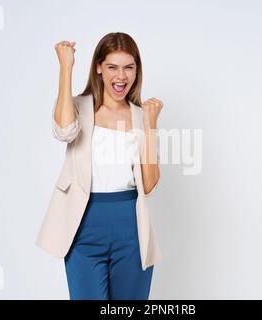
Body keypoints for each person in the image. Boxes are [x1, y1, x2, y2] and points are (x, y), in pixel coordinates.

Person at [36, 32, 163, 300]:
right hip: (83, 227)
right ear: (98, 67)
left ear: (137, 70)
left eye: (129, 67)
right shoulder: (78, 107)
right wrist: (65, 68)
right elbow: (64, 131)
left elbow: (149, 186)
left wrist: (150, 127)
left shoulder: (141, 116)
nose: (121, 76)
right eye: (112, 67)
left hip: (131, 230)